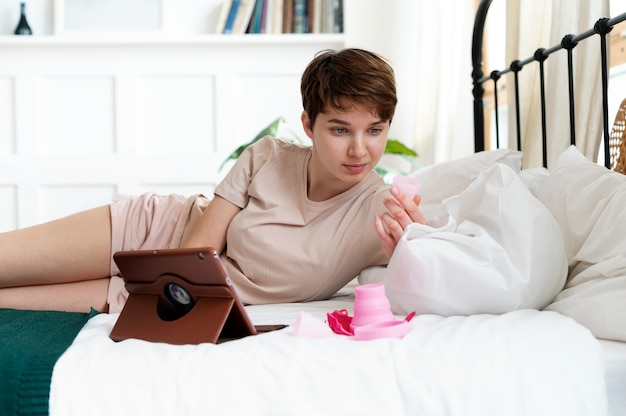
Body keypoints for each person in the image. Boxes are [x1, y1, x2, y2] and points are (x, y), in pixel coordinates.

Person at [0, 48, 425, 314]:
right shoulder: (268, 155)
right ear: (308, 124)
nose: (359, 149)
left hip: (179, 294)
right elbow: (192, 254)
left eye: (374, 129)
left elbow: (426, 286)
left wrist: (411, 249)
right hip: (153, 231)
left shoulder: (384, 214)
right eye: (339, 129)